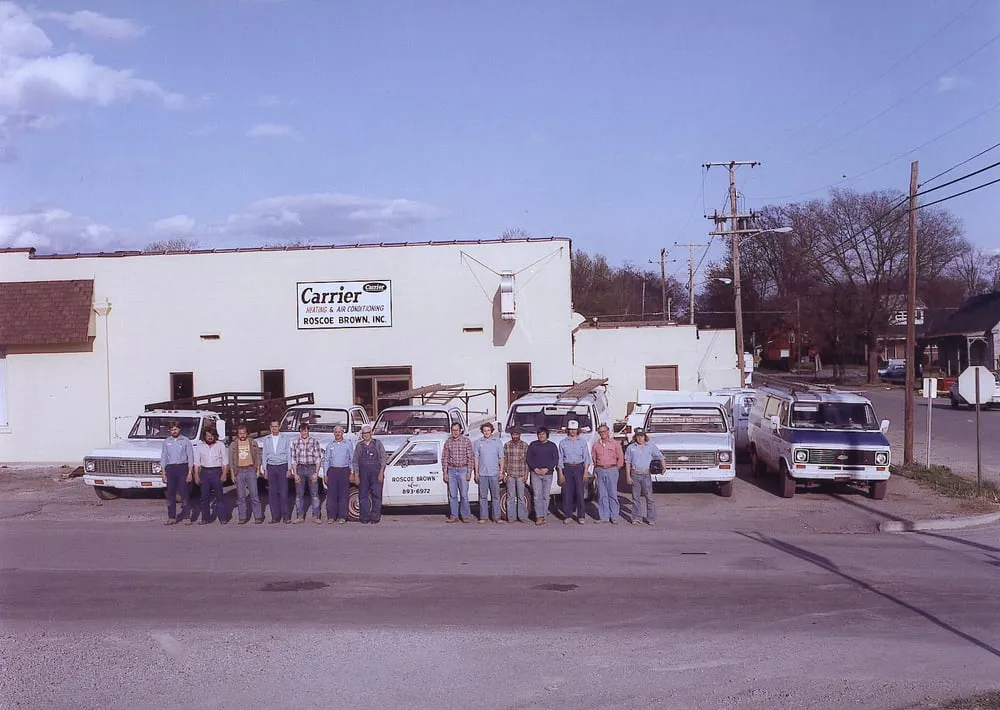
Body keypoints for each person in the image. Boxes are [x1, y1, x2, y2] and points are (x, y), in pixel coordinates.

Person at [625, 428, 664, 526]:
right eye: (638, 436)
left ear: (645, 436)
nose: (640, 438)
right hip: (635, 474)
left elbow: (660, 456)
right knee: (636, 498)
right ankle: (636, 518)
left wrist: (664, 467)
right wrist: (628, 476)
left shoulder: (650, 446)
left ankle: (651, 518)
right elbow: (627, 462)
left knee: (649, 497)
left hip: (646, 474)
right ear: (635, 437)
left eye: (642, 436)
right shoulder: (631, 447)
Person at [558, 420, 593, 524]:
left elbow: (586, 458)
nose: (573, 431)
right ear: (568, 430)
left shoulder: (582, 442)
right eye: (571, 429)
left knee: (580, 493)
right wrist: (560, 474)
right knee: (567, 493)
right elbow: (560, 459)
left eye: (574, 429)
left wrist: (585, 472)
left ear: (578, 430)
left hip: (579, 468)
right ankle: (568, 515)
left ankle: (581, 516)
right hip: (567, 468)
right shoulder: (563, 442)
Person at [160, 420, 195, 525]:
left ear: (179, 429)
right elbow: (163, 457)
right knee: (170, 494)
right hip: (170, 469)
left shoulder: (185, 441)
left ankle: (186, 517)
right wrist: (163, 473)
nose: (174, 431)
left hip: (182, 468)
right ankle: (171, 517)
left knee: (184, 493)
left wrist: (190, 473)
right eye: (172, 430)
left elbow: (190, 457)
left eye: (175, 429)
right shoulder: (167, 442)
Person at [228, 423, 263, 524]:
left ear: (247, 433)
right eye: (240, 433)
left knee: (254, 495)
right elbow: (231, 460)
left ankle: (258, 516)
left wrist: (257, 470)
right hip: (239, 471)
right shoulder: (233, 445)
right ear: (237, 434)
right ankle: (242, 517)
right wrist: (232, 474)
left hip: (250, 469)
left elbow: (258, 457)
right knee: (241, 496)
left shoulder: (252, 442)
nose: (242, 435)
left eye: (244, 433)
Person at [352, 424, 386, 524]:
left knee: (377, 495)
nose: (365, 435)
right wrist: (356, 475)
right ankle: (364, 517)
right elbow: (355, 461)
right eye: (363, 433)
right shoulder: (359, 446)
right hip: (363, 474)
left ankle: (375, 517)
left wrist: (381, 472)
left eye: (367, 433)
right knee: (363, 495)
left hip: (376, 473)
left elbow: (383, 459)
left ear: (371, 433)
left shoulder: (378, 444)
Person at [260, 420, 292, 524]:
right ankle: (275, 517)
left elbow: (289, 454)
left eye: (276, 426)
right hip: (271, 467)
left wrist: (289, 468)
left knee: (283, 492)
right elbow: (264, 455)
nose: (274, 428)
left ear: (279, 427)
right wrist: (265, 469)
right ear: (270, 427)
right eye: (273, 426)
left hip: (282, 466)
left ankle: (286, 516)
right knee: (272, 493)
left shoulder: (285, 438)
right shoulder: (267, 439)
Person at [442, 421, 475, 523]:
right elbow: (445, 458)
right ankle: (454, 515)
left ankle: (465, 515)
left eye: (457, 430)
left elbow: (470, 458)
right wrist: (445, 472)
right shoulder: (448, 442)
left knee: (464, 494)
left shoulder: (466, 441)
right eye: (453, 430)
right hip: (451, 470)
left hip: (463, 470)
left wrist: (469, 472)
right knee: (453, 495)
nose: (455, 432)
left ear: (460, 431)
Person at [195, 427, 229, 525]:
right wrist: (196, 475)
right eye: (208, 436)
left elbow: (225, 462)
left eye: (212, 435)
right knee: (204, 497)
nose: (210, 437)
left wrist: (224, 474)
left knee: (219, 496)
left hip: (216, 472)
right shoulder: (200, 447)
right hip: (204, 472)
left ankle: (223, 518)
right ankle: (205, 518)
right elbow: (196, 463)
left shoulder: (220, 445)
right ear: (204, 436)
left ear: (215, 436)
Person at [592, 424, 624, 524]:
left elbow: (620, 457)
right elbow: (594, 458)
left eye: (604, 431)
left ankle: (614, 516)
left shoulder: (615, 444)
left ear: (608, 431)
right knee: (602, 494)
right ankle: (604, 517)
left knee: (612, 493)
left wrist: (616, 468)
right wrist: (596, 470)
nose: (603, 433)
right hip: (600, 469)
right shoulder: (596, 445)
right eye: (600, 432)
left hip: (612, 469)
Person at [291, 422, 323, 524]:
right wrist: (295, 474)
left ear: (308, 431)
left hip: (311, 468)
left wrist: (316, 473)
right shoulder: (295, 442)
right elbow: (293, 459)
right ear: (300, 432)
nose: (304, 433)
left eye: (305, 431)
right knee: (299, 495)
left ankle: (316, 516)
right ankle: (300, 516)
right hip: (300, 469)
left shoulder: (314, 442)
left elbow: (318, 459)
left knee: (314, 494)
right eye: (302, 431)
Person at [525, 426, 558, 525]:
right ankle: (539, 516)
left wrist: (547, 469)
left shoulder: (552, 446)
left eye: (543, 434)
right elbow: (529, 458)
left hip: (548, 474)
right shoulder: (533, 445)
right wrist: (535, 468)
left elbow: (555, 459)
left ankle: (544, 516)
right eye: (539, 434)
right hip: (535, 474)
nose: (541, 436)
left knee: (545, 496)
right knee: (537, 496)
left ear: (547, 435)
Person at [323, 425, 354, 524]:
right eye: (336, 432)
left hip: (344, 471)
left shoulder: (348, 444)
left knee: (343, 495)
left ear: (342, 433)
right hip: (332, 471)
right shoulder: (330, 445)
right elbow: (326, 460)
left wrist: (352, 472)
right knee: (331, 495)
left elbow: (352, 459)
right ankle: (331, 516)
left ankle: (342, 516)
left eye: (339, 432)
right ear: (333, 433)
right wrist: (325, 474)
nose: (337, 434)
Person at [474, 422, 504, 524]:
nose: (486, 432)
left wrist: (501, 472)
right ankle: (483, 517)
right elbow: (476, 458)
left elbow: (501, 458)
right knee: (483, 496)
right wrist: (476, 473)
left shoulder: (497, 442)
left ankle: (497, 517)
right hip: (482, 474)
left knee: (495, 496)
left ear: (492, 431)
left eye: (488, 430)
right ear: (482, 432)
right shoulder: (478, 442)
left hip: (494, 473)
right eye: (484, 431)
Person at [502, 425, 530, 523]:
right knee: (510, 497)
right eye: (513, 434)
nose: (515, 436)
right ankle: (511, 517)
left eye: (517, 434)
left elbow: (527, 461)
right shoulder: (507, 445)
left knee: (521, 496)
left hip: (521, 474)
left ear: (520, 435)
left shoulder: (525, 445)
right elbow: (504, 460)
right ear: (511, 435)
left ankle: (522, 516)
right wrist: (504, 473)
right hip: (510, 474)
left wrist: (526, 474)